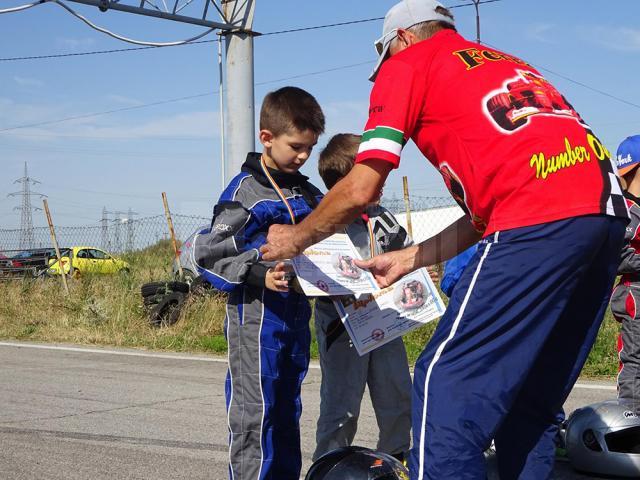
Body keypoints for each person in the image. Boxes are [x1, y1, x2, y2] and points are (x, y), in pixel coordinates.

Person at [260, 1, 628, 479]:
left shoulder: (410, 61)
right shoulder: (507, 63)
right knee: (529, 399)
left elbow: (361, 185)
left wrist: (296, 237)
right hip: (605, 214)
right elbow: (484, 213)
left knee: (444, 386)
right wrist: (411, 257)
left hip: (536, 217)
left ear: (404, 39)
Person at [194, 86, 325, 480]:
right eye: (296, 146)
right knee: (257, 413)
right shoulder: (243, 192)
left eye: (310, 148)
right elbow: (208, 252)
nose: (303, 156)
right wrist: (258, 273)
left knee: (287, 409)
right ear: (266, 138)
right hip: (256, 318)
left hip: (297, 314)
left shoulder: (308, 192)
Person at [312, 133, 413, 463]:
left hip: (385, 317)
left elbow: (404, 254)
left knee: (397, 394)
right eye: (374, 174)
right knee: (342, 404)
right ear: (347, 183)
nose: (382, 180)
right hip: (342, 326)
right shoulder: (324, 220)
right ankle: (331, 464)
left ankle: (394, 459)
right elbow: (309, 272)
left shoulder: (384, 217)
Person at [611, 135, 640, 413]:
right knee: (636, 358)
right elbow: (619, 257)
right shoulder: (626, 211)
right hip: (634, 293)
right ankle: (631, 417)